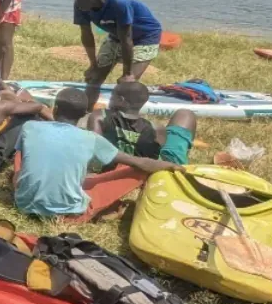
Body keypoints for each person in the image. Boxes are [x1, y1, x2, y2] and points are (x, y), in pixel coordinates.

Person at [14, 87, 180, 218]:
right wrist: (172, 166)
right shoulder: (91, 139)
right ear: (82, 115)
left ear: (55, 108)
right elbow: (139, 162)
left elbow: (22, 158)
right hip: (69, 212)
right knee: (136, 169)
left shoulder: (30, 127)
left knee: (23, 153)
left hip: (23, 204)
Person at [72, 0, 163, 112]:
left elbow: (126, 39)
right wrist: (93, 65)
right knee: (94, 78)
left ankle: (117, 118)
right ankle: (85, 113)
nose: (77, 3)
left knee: (126, 86)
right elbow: (86, 35)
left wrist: (127, 73)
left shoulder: (120, 3)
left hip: (145, 37)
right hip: (116, 36)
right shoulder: (80, 5)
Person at [88, 80, 197, 165]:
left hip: (111, 166)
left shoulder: (99, 116)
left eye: (112, 97)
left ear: (121, 100)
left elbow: (94, 148)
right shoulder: (157, 129)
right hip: (150, 170)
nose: (110, 100)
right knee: (185, 114)